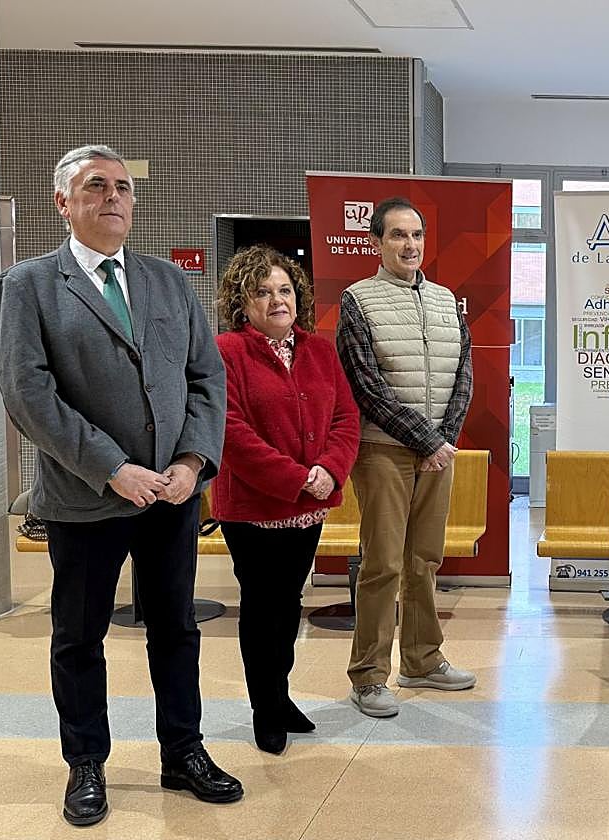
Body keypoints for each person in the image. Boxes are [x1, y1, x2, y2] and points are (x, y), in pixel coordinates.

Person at [0, 145, 241, 826]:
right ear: (62, 203)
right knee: (78, 635)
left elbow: (205, 379)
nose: (114, 198)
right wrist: (109, 466)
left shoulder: (168, 283)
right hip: (85, 496)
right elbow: (28, 393)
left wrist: (191, 461)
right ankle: (86, 764)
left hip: (169, 495)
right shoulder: (29, 286)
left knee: (176, 629)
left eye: (124, 187)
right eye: (96, 187)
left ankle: (182, 752)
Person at [212, 245, 359, 754]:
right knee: (261, 606)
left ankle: (280, 694)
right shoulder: (226, 351)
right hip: (254, 508)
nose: (278, 300)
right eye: (263, 291)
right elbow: (229, 431)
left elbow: (345, 418)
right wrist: (296, 477)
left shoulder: (320, 350)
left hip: (309, 504)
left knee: (290, 602)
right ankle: (265, 707)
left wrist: (330, 470)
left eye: (285, 290)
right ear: (242, 301)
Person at [337, 196, 475, 718]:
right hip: (383, 452)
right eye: (397, 235)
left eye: (416, 235)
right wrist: (426, 440)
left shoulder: (446, 300)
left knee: (425, 560)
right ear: (376, 242)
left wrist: (443, 440)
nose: (409, 245)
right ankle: (369, 676)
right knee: (383, 564)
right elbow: (365, 386)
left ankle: (422, 659)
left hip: (438, 452)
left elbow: (464, 375)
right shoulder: (358, 300)